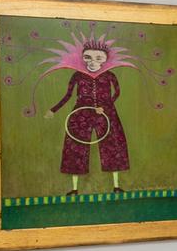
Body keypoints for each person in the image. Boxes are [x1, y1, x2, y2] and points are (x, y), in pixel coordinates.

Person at [49, 42, 130, 192]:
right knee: (75, 148)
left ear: (105, 59)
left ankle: (116, 186)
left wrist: (105, 107)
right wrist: (53, 110)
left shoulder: (110, 75)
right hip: (81, 115)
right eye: (88, 57)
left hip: (106, 114)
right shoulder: (77, 75)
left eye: (98, 58)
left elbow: (117, 93)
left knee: (113, 147)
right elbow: (68, 95)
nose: (93, 62)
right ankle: (74, 189)